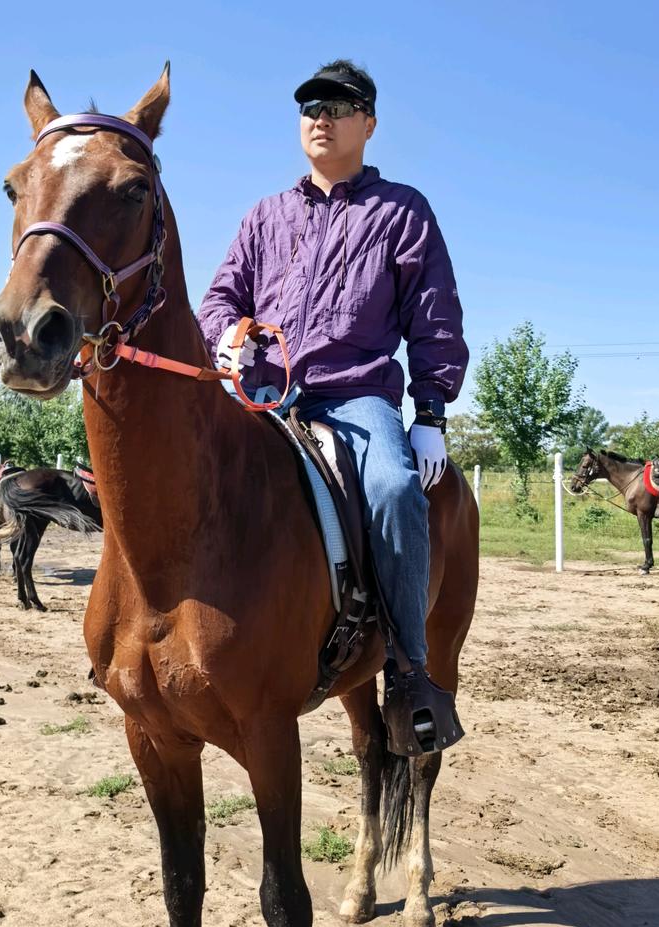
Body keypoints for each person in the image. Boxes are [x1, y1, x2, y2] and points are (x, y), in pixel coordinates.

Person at [198, 59, 469, 745]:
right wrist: (227, 333)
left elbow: (434, 321)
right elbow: (221, 296)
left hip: (355, 400)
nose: (320, 117)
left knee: (394, 490)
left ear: (369, 124)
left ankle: (409, 670)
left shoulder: (403, 212)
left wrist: (430, 412)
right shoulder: (266, 215)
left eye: (339, 106)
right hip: (263, 399)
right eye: (309, 106)